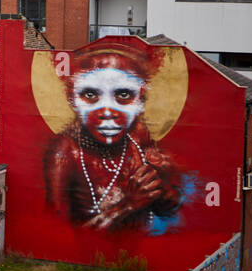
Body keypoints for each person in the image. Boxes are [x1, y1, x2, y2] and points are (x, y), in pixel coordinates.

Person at [44, 41, 182, 232]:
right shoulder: (65, 153)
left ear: (141, 101)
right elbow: (57, 233)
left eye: (124, 94)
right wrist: (128, 204)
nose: (107, 111)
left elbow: (170, 207)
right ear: (72, 100)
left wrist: (163, 193)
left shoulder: (140, 141)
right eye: (90, 94)